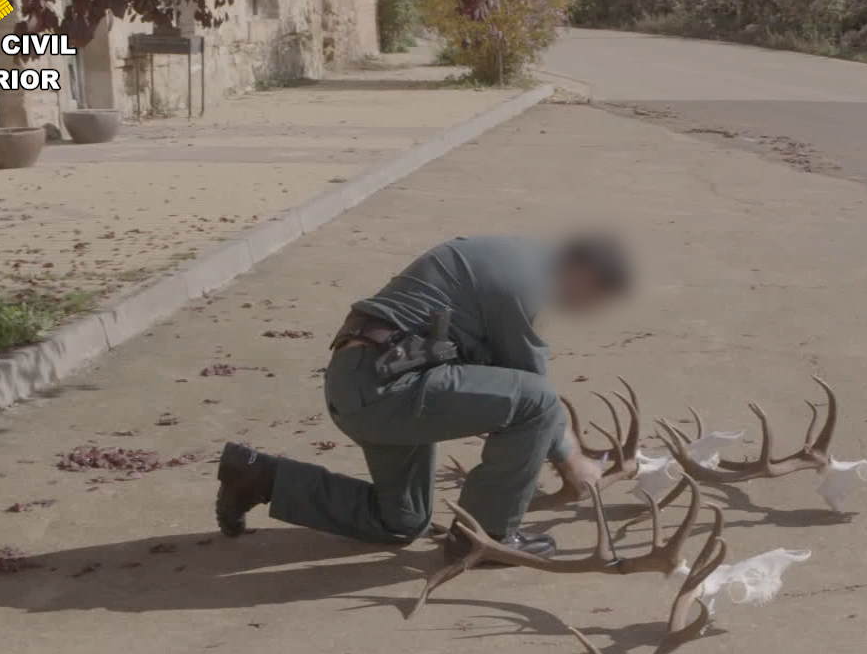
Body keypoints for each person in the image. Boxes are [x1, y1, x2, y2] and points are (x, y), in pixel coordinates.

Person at [212, 233, 632, 557]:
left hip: (377, 381)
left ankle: (259, 477)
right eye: (592, 296)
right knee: (537, 401)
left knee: (401, 520)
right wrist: (573, 461)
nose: (584, 306)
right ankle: (484, 537)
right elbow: (529, 386)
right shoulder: (523, 281)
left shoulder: (515, 253)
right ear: (584, 273)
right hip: (385, 388)